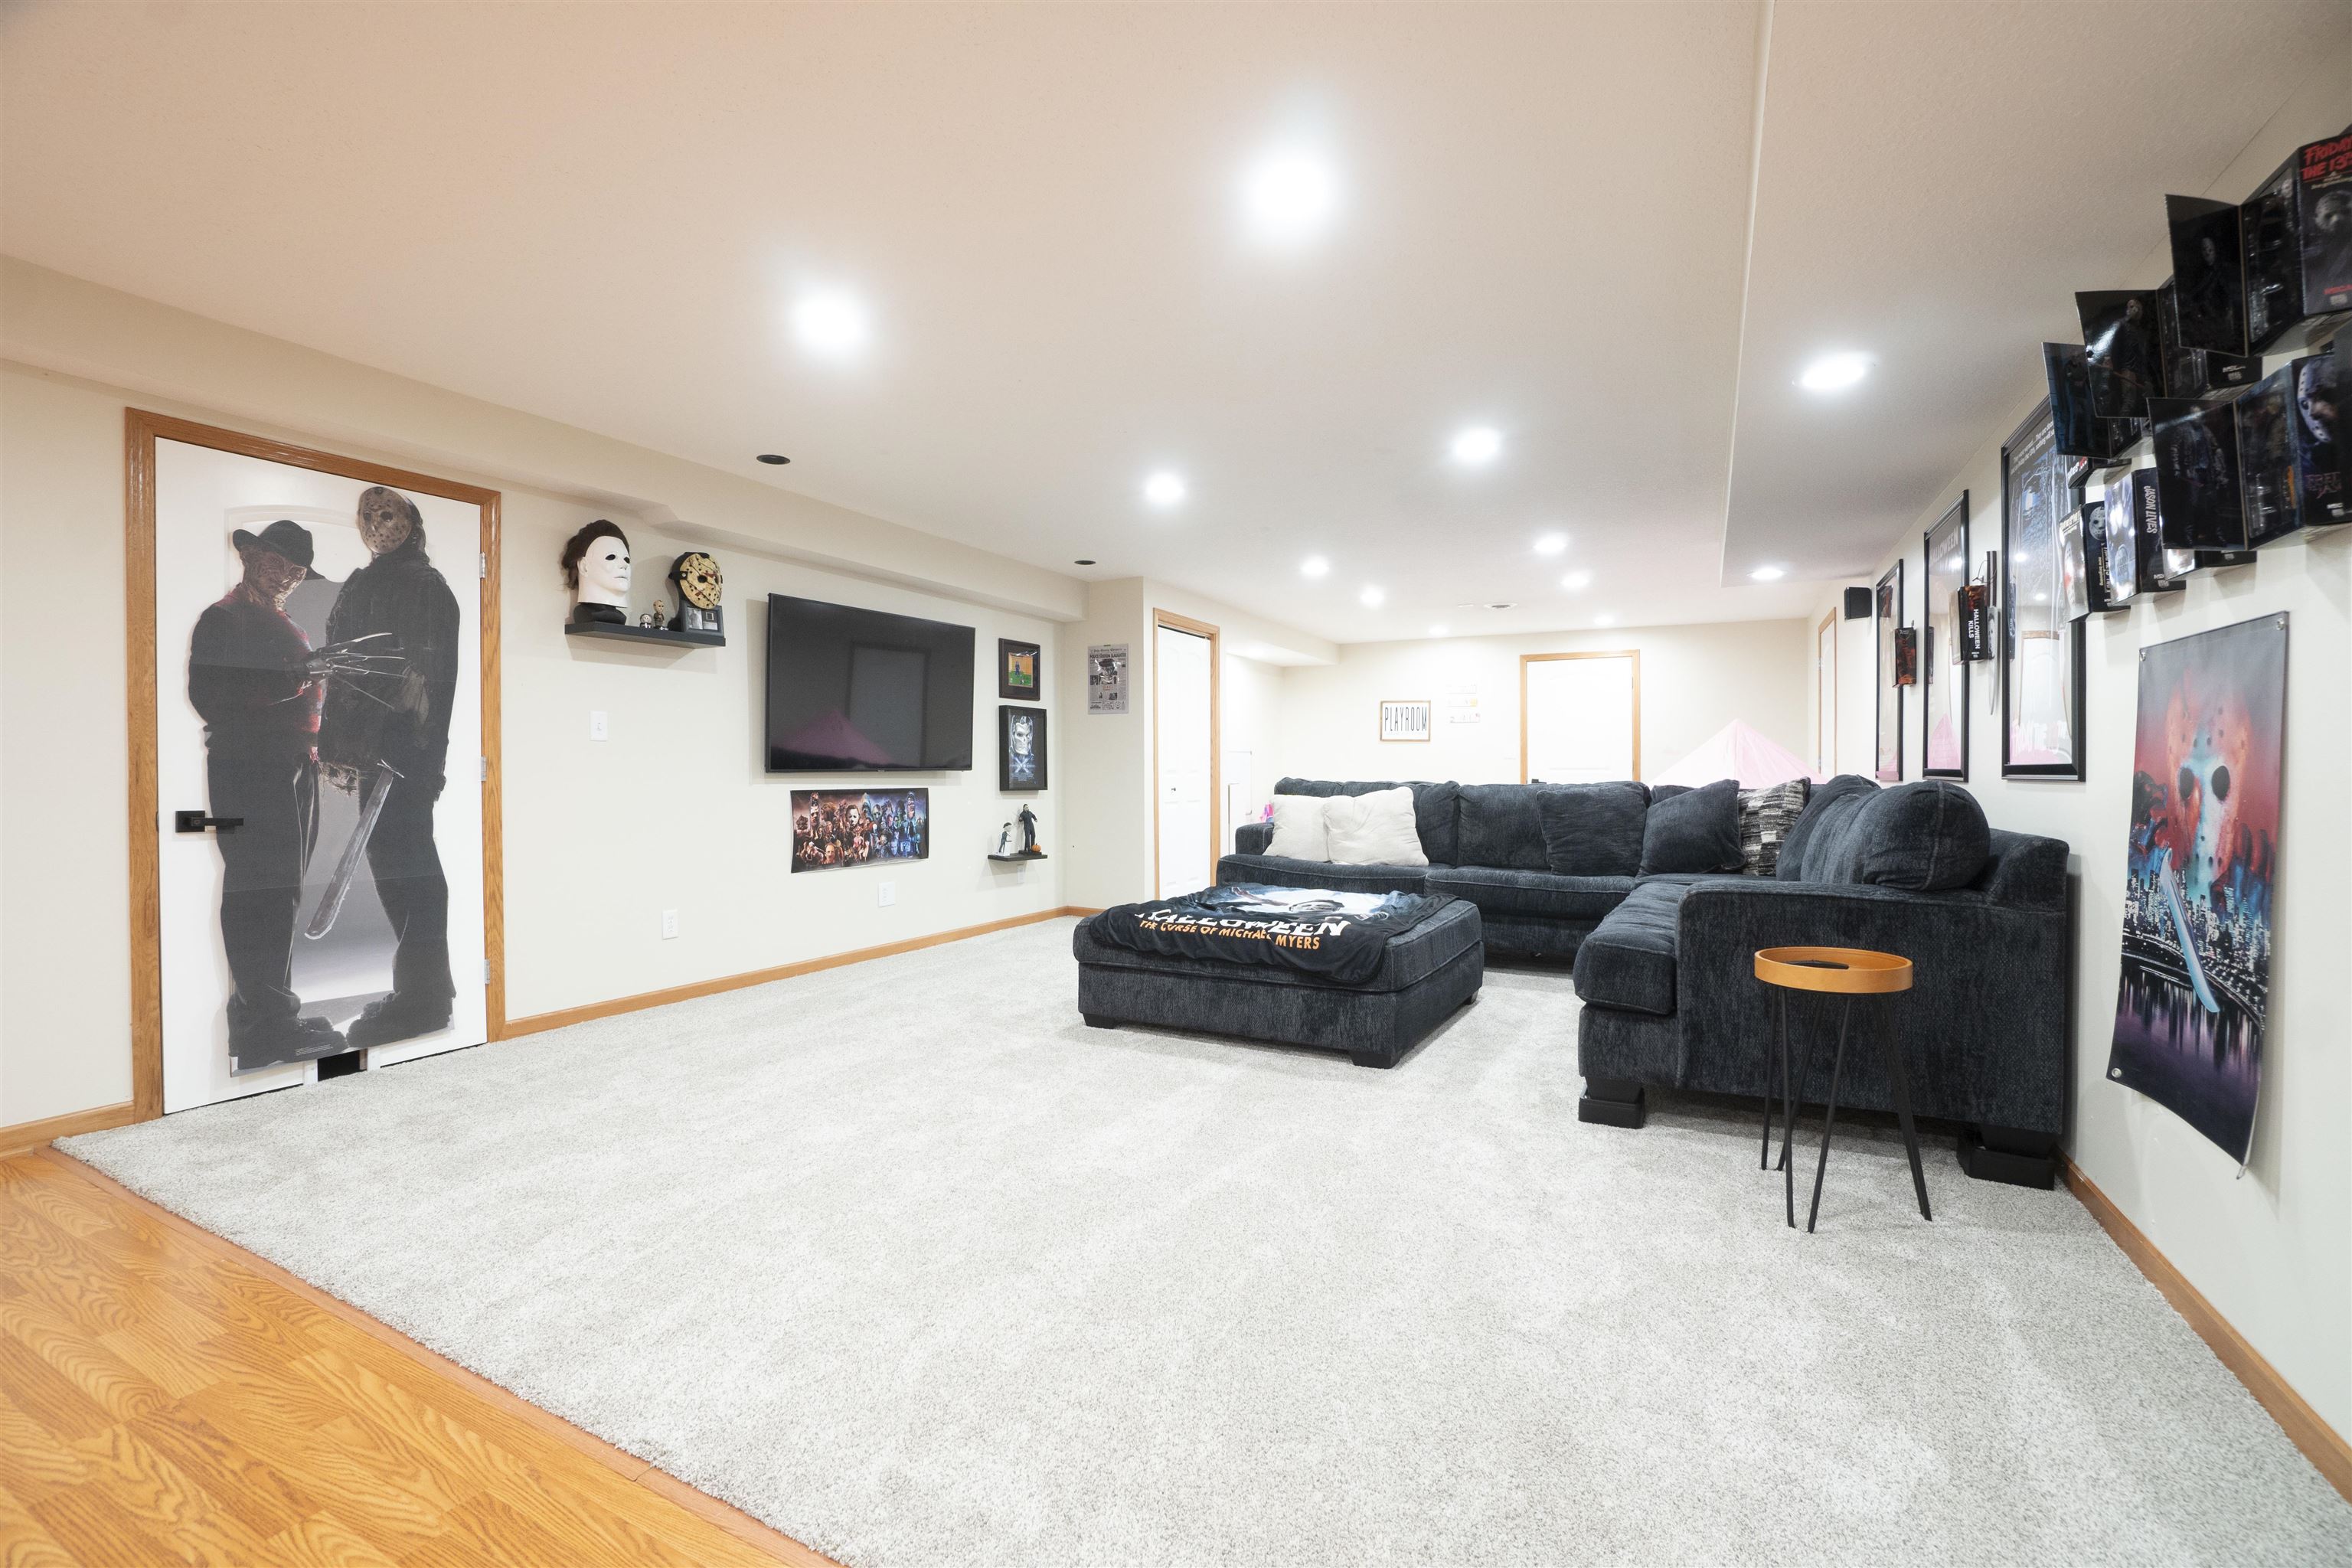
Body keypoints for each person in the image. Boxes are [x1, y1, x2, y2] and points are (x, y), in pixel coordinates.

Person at [188, 520, 345, 1067]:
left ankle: (269, 1016)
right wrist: (299, 675)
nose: (289, 576)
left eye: (298, 570)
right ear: (251, 556)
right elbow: (211, 698)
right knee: (263, 891)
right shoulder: (224, 618)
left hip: (291, 766)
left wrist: (323, 751)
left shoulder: (278, 620)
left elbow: (297, 702)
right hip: (251, 770)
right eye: (279, 562)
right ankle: (267, 1024)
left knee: (282, 892)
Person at [318, 486, 461, 1047]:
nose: (377, 525)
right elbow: (344, 667)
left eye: (388, 515)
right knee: (392, 863)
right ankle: (424, 990)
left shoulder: (425, 586)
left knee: (412, 865)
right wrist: (339, 743)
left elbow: (427, 677)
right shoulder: (361, 582)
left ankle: (422, 998)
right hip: (369, 750)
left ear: (412, 522)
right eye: (368, 517)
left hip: (404, 753)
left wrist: (415, 754)